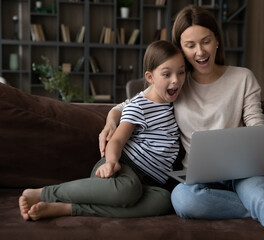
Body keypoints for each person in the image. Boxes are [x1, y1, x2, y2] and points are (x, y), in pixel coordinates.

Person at [99, 5, 264, 239]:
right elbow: (129, 105)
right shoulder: (177, 83)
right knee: (182, 199)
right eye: (190, 45)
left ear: (217, 41)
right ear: (180, 49)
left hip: (245, 170)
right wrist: (111, 119)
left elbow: (257, 124)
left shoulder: (242, 78)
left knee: (258, 194)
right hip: (200, 178)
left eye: (205, 41)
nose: (200, 52)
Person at [18, 40, 186, 221]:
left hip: (151, 182)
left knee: (164, 201)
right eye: (167, 74)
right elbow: (117, 140)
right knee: (128, 189)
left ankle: (67, 208)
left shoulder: (174, 102)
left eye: (181, 72)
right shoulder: (140, 106)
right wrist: (111, 162)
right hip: (122, 169)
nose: (176, 80)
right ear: (150, 77)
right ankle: (45, 194)